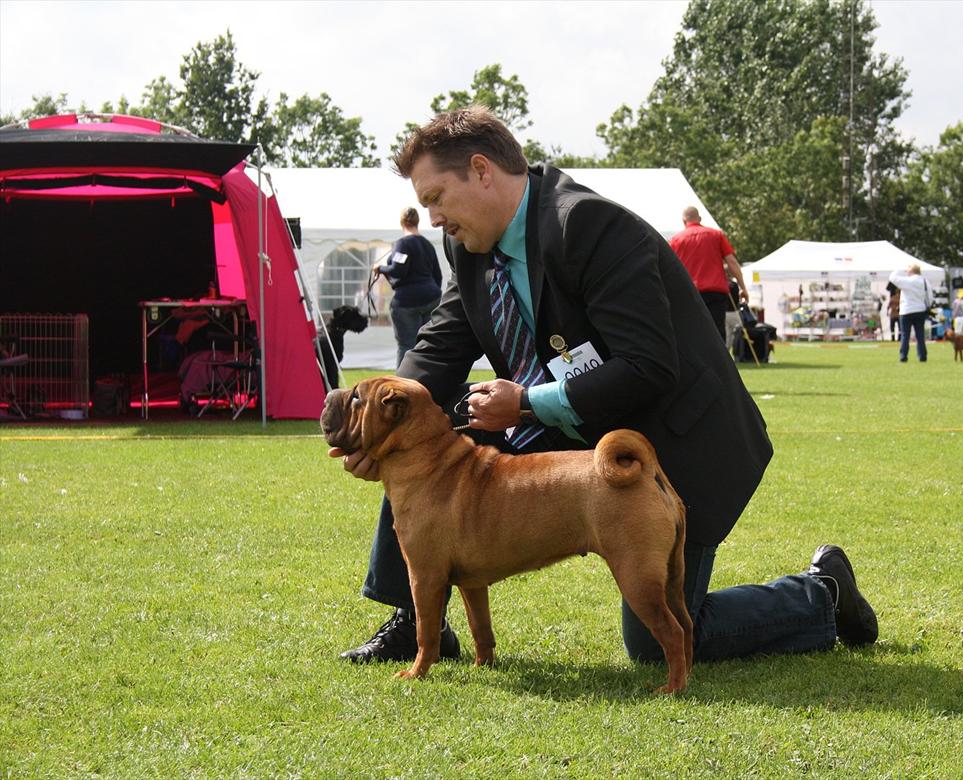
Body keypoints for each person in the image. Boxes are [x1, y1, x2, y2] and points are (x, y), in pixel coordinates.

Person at [331, 107, 878, 667]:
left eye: (437, 197)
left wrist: (525, 403)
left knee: (653, 641)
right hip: (576, 435)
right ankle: (414, 620)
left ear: (481, 170)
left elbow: (648, 365)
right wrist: (372, 427)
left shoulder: (588, 225)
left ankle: (821, 595)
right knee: (422, 445)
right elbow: (439, 347)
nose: (434, 216)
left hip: (676, 441)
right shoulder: (466, 248)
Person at [376, 207, 443, 367]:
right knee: (425, 344)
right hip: (431, 297)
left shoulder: (403, 244)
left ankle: (402, 385)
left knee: (406, 346)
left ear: (402, 222)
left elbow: (398, 270)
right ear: (417, 221)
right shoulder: (427, 245)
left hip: (406, 302)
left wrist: (380, 268)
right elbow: (438, 276)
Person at [668, 206, 749, 335]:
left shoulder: (675, 241)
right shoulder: (716, 235)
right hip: (715, 293)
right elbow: (732, 262)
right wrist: (743, 287)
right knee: (716, 334)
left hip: (689, 293)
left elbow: (669, 270)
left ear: (684, 221)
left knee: (691, 334)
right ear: (699, 219)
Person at [887, 264, 932, 362]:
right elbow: (930, 297)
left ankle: (903, 356)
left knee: (905, 335)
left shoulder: (907, 281)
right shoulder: (925, 281)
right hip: (920, 310)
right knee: (920, 335)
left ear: (911, 271)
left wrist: (899, 269)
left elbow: (892, 278)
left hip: (906, 311)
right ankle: (922, 356)